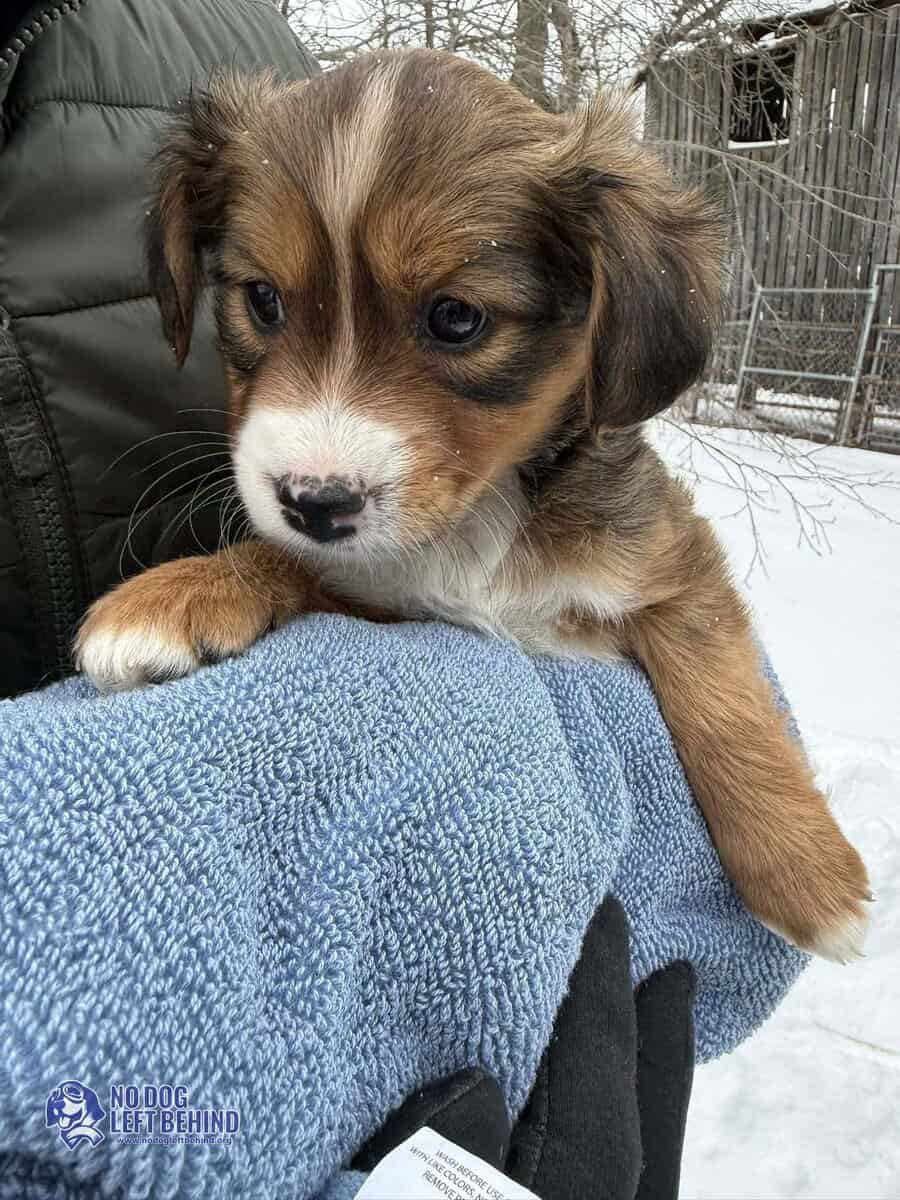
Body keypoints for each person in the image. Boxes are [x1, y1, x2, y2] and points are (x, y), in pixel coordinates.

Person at [0, 3, 695, 1196]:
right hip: (134, 1048)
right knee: (105, 1119)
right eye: (261, 307)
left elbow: (632, 580)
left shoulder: (228, 52)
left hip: (517, 964)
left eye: (452, 320)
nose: (320, 442)